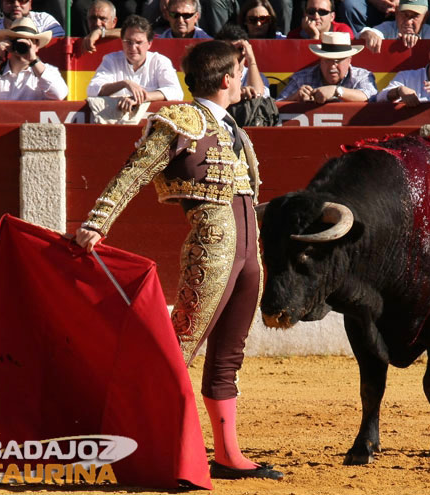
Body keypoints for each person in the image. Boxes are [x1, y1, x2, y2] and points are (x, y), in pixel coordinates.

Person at [75, 39, 283, 481]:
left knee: (228, 356)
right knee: (177, 350)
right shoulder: (180, 119)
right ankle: (138, 448)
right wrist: (98, 220)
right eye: (240, 72)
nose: (243, 78)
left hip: (250, 254)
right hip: (212, 246)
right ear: (227, 78)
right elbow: (136, 170)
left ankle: (227, 455)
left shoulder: (234, 128)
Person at [87, 15, 183, 113]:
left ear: (149, 44)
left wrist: (142, 97)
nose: (133, 48)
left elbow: (176, 92)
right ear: (122, 42)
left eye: (139, 42)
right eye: (128, 42)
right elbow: (92, 90)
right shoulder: (111, 60)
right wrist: (125, 83)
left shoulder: (160, 61)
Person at [0, 17, 68, 101]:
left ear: (37, 46)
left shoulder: (47, 71)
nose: (23, 45)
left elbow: (59, 94)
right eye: (18, 40)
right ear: (10, 43)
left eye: (28, 42)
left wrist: (33, 60)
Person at [278, 31, 377, 102]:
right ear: (321, 59)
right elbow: (275, 108)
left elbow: (372, 96)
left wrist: (336, 90)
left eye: (338, 60)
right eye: (327, 60)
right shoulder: (301, 79)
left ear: (349, 60)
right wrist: (293, 98)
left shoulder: (362, 76)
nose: (332, 66)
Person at [358, 0, 430, 54]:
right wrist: (368, 34)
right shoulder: (388, 27)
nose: (408, 22)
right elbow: (367, 33)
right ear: (396, 13)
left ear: (425, 17)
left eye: (415, 16)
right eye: (404, 14)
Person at [215, 24, 271, 98]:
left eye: (239, 48)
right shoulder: (214, 74)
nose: (234, 54)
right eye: (229, 49)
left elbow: (258, 100)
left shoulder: (258, 76)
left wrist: (251, 59)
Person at [0, 0, 65, 38]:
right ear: (2, 4)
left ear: (30, 3)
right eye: (10, 1)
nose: (16, 4)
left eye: (22, 0)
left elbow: (57, 51)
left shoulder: (46, 22)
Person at [287, 0, 354, 40]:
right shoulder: (294, 36)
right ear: (305, 14)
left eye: (322, 12)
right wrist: (313, 36)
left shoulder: (343, 32)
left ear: (332, 16)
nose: (316, 16)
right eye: (311, 11)